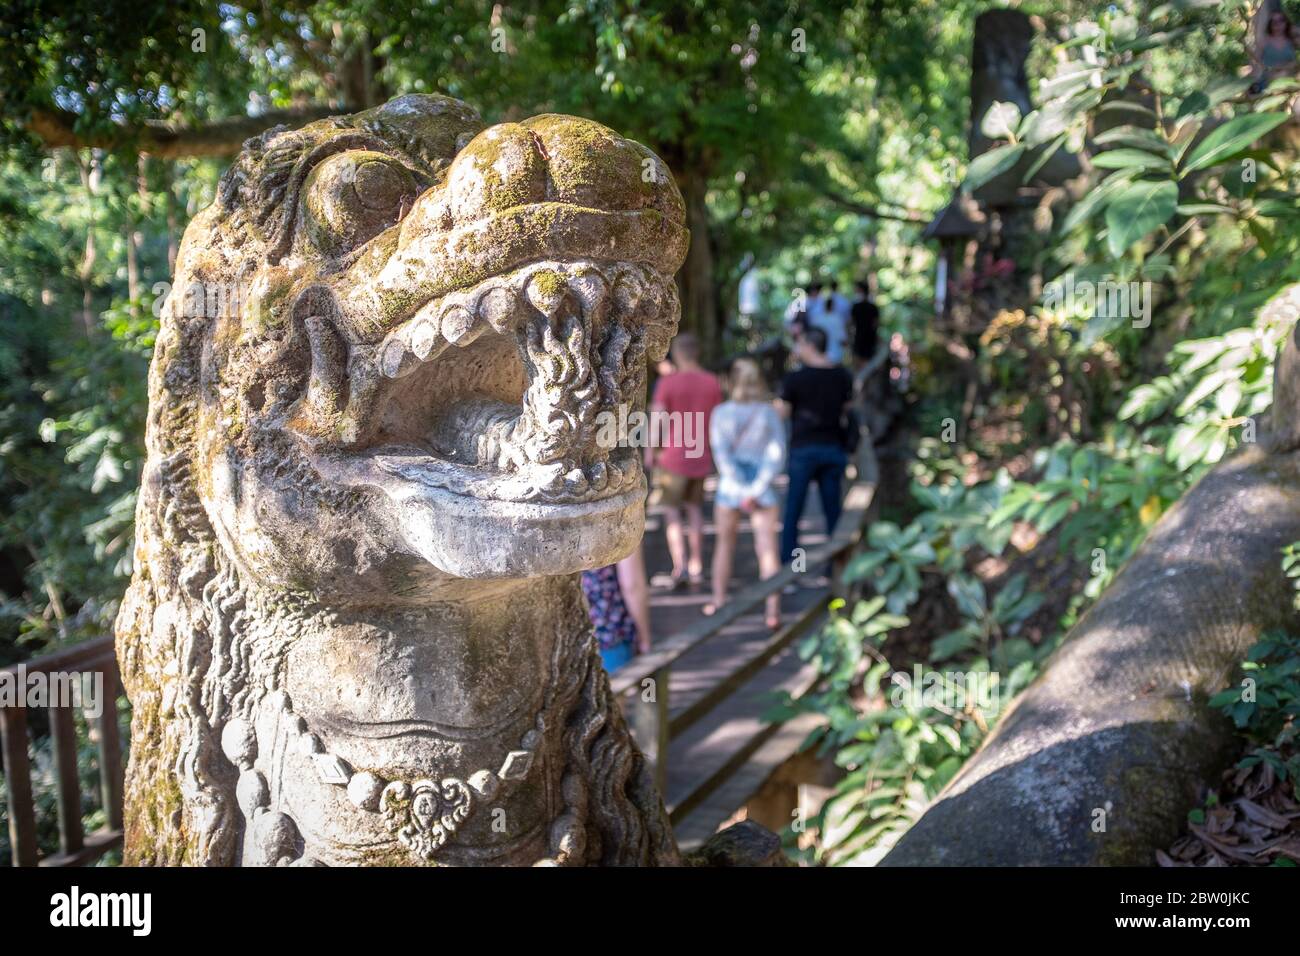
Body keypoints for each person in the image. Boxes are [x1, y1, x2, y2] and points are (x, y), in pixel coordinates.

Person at [705, 359, 786, 629]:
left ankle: (718, 600)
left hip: (730, 489)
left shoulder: (721, 413)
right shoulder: (768, 413)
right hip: (762, 490)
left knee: (724, 545)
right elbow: (776, 455)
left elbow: (722, 456)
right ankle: (772, 610)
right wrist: (756, 489)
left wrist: (740, 488)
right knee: (767, 550)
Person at [647, 333, 722, 588]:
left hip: (672, 459)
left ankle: (679, 566)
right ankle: (697, 565)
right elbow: (717, 422)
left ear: (677, 354)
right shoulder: (712, 382)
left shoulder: (668, 383)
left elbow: (657, 420)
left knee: (672, 515)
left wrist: (649, 451)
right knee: (695, 511)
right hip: (699, 456)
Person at [777, 326, 854, 576]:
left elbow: (782, 414)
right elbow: (848, 408)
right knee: (833, 511)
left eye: (800, 344)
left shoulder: (795, 379)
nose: (797, 349)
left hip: (803, 451)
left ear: (810, 346)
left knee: (793, 511)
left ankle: (788, 568)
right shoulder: (842, 375)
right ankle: (837, 567)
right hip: (833, 448)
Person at [581, 555, 646, 672]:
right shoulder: (626, 535)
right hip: (611, 634)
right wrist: (644, 639)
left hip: (573, 638)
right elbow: (632, 586)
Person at [807, 278, 852, 364]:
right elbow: (843, 338)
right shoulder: (837, 318)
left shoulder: (817, 318)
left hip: (819, 354)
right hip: (835, 354)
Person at [1252, 9, 1297, 92]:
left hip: (1287, 82)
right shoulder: (1264, 41)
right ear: (1270, 25)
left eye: (1281, 20)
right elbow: (1255, 62)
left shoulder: (1291, 41)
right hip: (1267, 81)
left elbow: (1294, 63)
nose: (1278, 25)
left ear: (1286, 22)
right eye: (1274, 22)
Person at [850, 280, 881, 372]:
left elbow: (852, 323)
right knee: (868, 363)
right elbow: (876, 323)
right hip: (869, 338)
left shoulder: (856, 306)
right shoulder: (873, 307)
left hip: (861, 338)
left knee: (859, 363)